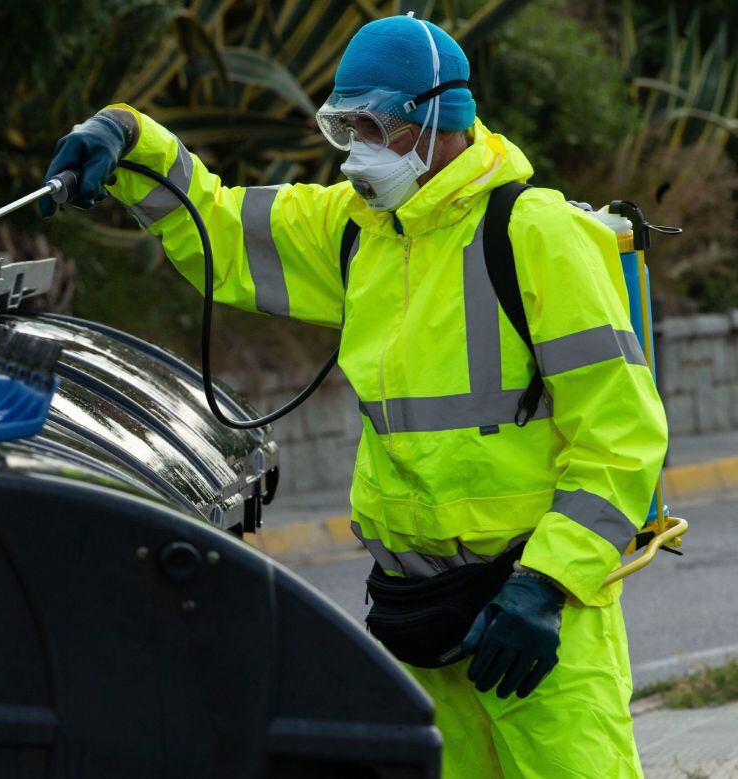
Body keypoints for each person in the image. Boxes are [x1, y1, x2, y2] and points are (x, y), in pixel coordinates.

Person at [39, 13, 667, 778]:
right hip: (423, 618)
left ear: (439, 118)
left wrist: (547, 584)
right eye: (346, 125)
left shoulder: (536, 234)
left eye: (375, 125)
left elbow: (622, 432)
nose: (359, 149)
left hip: (532, 622)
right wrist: (128, 138)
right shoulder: (357, 227)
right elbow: (224, 227)